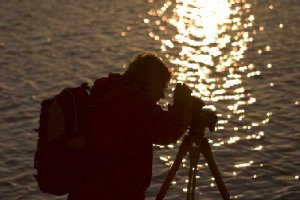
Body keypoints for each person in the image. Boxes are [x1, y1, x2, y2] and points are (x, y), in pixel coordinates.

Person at [67, 51, 193, 200]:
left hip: (89, 188)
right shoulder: (133, 100)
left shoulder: (110, 91)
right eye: (161, 87)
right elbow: (166, 131)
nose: (162, 95)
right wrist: (182, 105)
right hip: (112, 191)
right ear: (148, 78)